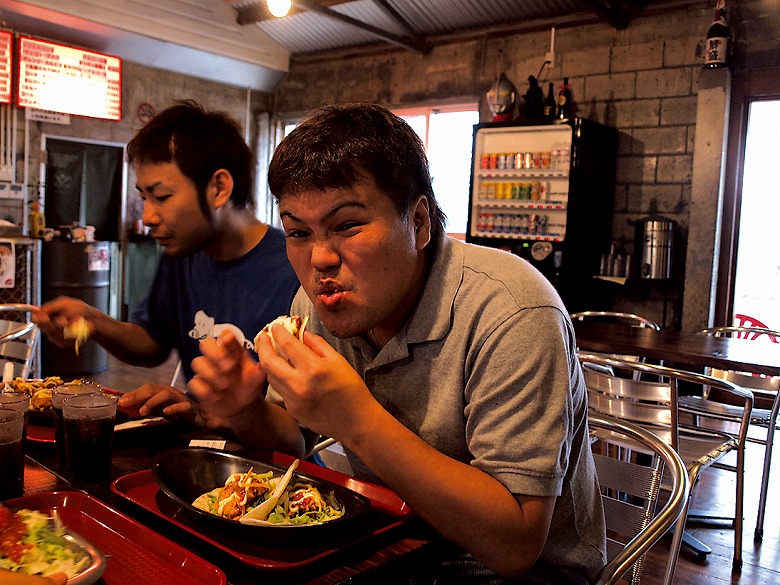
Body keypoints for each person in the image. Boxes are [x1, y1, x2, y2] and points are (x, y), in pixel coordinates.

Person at [189, 103, 605, 582]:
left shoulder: (513, 311)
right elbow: (293, 438)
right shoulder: (315, 304)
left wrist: (354, 417)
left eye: (346, 225)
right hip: (393, 536)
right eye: (299, 231)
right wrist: (248, 411)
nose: (319, 259)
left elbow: (515, 545)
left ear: (420, 222)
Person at [33, 100, 299, 426]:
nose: (147, 217)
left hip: (276, 467)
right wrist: (92, 321)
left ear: (218, 188)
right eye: (144, 198)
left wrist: (202, 413)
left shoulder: (293, 266)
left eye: (161, 197)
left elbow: (298, 430)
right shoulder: (183, 255)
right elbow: (153, 343)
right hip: (199, 454)